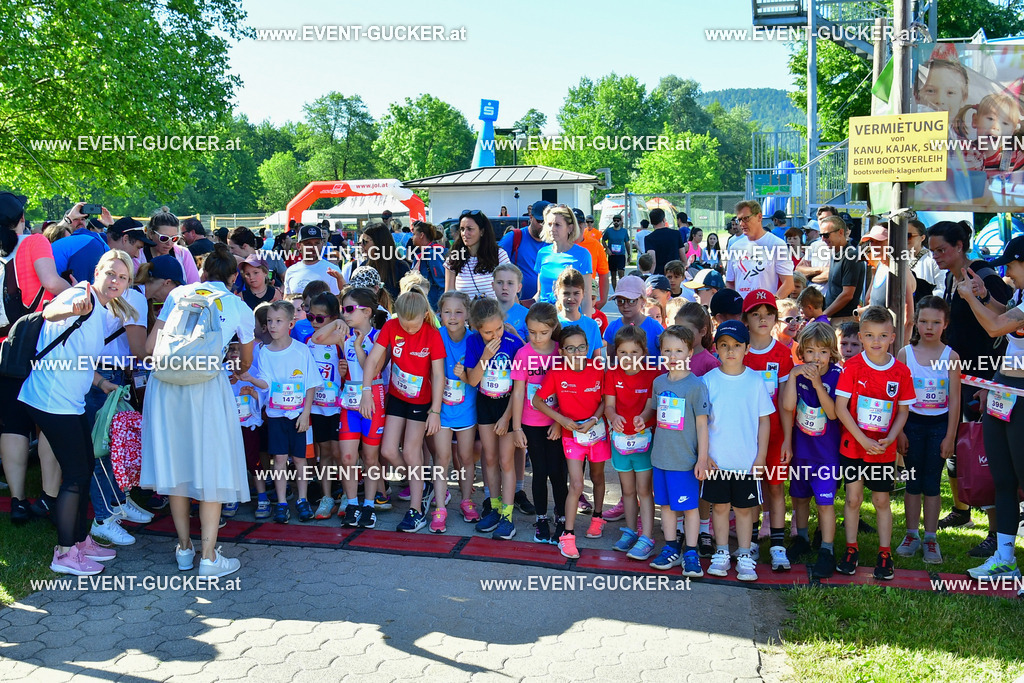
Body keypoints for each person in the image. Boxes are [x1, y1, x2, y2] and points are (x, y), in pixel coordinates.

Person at [140, 244, 256, 577]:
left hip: (165, 385)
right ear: (234, 277)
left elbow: (150, 348)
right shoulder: (236, 305)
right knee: (211, 467)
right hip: (207, 384)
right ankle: (208, 556)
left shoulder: (178, 295)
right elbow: (245, 361)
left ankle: (183, 548)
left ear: (202, 271)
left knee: (177, 466)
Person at [18, 252, 137, 574]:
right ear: (98, 271)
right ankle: (66, 553)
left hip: (70, 401)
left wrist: (101, 383)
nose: (116, 281)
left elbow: (77, 354)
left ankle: (80, 540)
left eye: (123, 277)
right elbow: (50, 313)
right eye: (111, 273)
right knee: (76, 474)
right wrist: (69, 308)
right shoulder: (78, 295)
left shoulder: (100, 308)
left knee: (83, 469)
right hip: (51, 400)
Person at [928, 220, 1011, 545]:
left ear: (960, 246)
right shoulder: (952, 277)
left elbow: (1006, 332)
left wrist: (992, 382)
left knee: (985, 452)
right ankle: (961, 508)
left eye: (941, 250)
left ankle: (995, 532)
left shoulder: (984, 276)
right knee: (959, 444)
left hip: (987, 380)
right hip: (961, 377)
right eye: (932, 250)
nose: (935, 256)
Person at [956, 236, 1024, 580]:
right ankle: (1005, 558)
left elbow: (996, 326)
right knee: (1003, 478)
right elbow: (1007, 318)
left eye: (1011, 265)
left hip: (1022, 396)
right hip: (1006, 390)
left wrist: (970, 298)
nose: (1008, 273)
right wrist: (983, 296)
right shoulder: (1021, 294)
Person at [834, 306, 916, 580]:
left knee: (881, 500)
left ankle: (884, 552)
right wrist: (863, 439)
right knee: (854, 499)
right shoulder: (853, 367)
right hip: (854, 446)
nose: (876, 341)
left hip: (883, 449)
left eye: (882, 335)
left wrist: (891, 438)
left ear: (892, 336)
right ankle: (851, 548)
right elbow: (841, 407)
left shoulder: (901, 372)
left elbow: (903, 410)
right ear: (861, 336)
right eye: (869, 335)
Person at [0, 192, 66, 525]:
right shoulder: (34, 243)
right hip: (37, 344)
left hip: (4, 347)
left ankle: (17, 499)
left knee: (13, 424)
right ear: (21, 218)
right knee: (49, 421)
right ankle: (48, 497)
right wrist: (79, 292)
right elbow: (50, 283)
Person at [362, 288, 445, 532]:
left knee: (411, 452)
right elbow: (373, 360)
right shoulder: (391, 327)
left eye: (414, 325)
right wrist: (366, 391)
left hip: (421, 402)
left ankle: (416, 510)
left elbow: (438, 375)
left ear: (424, 315)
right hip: (397, 397)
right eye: (405, 325)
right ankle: (421, 483)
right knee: (388, 450)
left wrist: (436, 411)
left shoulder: (432, 334)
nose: (409, 330)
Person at [703, 321, 775, 582]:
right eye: (724, 345)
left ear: (746, 348)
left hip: (746, 462)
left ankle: (744, 554)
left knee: (744, 510)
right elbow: (700, 421)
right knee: (720, 508)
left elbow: (764, 419)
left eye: (736, 346)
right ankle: (721, 552)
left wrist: (761, 456)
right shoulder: (707, 381)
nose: (730, 351)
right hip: (717, 462)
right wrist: (705, 454)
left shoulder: (755, 381)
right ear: (716, 349)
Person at [312, 286, 387, 527]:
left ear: (366, 312)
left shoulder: (378, 336)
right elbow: (317, 338)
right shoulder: (344, 334)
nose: (345, 313)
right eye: (343, 309)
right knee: (346, 457)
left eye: (349, 309)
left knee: (370, 457)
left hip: (372, 397)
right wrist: (335, 324)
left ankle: (368, 505)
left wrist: (356, 348)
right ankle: (352, 503)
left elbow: (373, 370)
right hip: (349, 400)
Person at [532, 325, 608, 559]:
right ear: (562, 351)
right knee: (575, 483)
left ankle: (597, 517)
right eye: (571, 348)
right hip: (572, 435)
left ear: (588, 347)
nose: (577, 352)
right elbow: (537, 401)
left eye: (582, 347)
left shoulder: (598, 368)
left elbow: (606, 400)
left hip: (596, 431)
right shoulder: (556, 373)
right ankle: (567, 534)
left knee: (596, 477)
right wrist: (562, 420)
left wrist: (594, 419)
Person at [241, 301, 321, 523]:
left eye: (278, 321)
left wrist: (306, 413)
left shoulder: (301, 350)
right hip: (276, 415)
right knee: (279, 459)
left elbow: (311, 383)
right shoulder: (263, 352)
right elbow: (265, 381)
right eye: (269, 321)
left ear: (290, 323)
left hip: (298, 416)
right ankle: (282, 502)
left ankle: (302, 500)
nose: (273, 326)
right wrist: (252, 379)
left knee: (299, 459)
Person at [895, 296, 960, 565]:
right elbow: (897, 397)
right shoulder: (905, 354)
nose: (929, 327)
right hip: (911, 424)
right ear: (916, 322)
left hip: (939, 426)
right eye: (923, 321)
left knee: (932, 482)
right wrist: (899, 431)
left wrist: (950, 436)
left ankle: (931, 538)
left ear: (945, 324)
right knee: (913, 480)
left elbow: (955, 398)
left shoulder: (951, 356)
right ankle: (911, 535)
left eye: (936, 322)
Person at [644, 325, 709, 576]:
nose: (672, 356)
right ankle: (671, 547)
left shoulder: (696, 386)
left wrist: (702, 459)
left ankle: (691, 552)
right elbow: (655, 412)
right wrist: (642, 419)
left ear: (689, 353)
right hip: (661, 458)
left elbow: (703, 426)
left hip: (685, 461)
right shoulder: (658, 382)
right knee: (667, 507)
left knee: (689, 507)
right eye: (667, 350)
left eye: (678, 350)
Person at [780, 322, 843, 578]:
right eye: (810, 352)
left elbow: (832, 412)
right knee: (800, 497)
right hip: (802, 449)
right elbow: (787, 406)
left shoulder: (836, 376)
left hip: (826, 454)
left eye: (823, 352)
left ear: (832, 353)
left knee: (825, 502)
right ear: (801, 353)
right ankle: (802, 538)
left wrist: (818, 384)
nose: (816, 358)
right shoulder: (797, 374)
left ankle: (827, 549)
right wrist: (795, 376)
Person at [741, 289, 795, 570]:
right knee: (749, 489)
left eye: (768, 314)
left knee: (774, 488)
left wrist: (787, 439)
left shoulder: (783, 354)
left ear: (776, 317)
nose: (763, 319)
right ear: (746, 319)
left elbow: (787, 404)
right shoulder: (739, 350)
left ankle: (777, 544)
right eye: (755, 314)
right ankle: (748, 543)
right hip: (744, 435)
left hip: (774, 435)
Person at [466, 298, 524, 539]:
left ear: (504, 322)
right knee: (489, 458)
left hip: (508, 405)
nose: (494, 335)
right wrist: (485, 357)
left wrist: (508, 416)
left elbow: (521, 383)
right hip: (485, 405)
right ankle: (495, 506)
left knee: (506, 460)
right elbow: (472, 380)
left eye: (498, 328)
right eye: (488, 331)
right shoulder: (473, 342)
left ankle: (508, 516)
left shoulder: (511, 342)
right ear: (477, 328)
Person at [604, 325, 660, 561]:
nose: (628, 359)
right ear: (616, 353)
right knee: (627, 490)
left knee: (644, 490)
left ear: (644, 352)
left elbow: (650, 407)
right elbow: (608, 405)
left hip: (643, 442)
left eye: (634, 353)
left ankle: (646, 536)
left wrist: (643, 419)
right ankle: (630, 530)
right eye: (623, 353)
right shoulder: (612, 374)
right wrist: (613, 416)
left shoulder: (652, 375)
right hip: (620, 442)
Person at [511, 303, 565, 544]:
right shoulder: (523, 354)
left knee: (558, 472)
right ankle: (541, 518)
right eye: (532, 332)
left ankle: (562, 517)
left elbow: (569, 387)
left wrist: (560, 422)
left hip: (558, 422)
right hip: (531, 422)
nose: (537, 338)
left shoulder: (561, 351)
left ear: (553, 328)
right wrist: (516, 427)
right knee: (540, 472)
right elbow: (519, 392)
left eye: (543, 333)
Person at [432, 291, 479, 530]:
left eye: (458, 312)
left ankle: (467, 501)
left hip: (466, 411)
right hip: (440, 411)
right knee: (442, 458)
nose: (452, 317)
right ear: (439, 314)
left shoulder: (473, 340)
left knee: (466, 457)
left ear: (468, 314)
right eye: (447, 312)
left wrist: (466, 375)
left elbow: (477, 379)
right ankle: (440, 506)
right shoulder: (436, 337)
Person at [304, 292, 345, 521]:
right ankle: (327, 496)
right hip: (319, 408)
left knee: (341, 453)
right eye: (310, 316)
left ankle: (349, 495)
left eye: (320, 318)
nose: (313, 322)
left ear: (333, 317)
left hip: (339, 407)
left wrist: (344, 371)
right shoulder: (309, 341)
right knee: (325, 453)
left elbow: (354, 369)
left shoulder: (340, 340)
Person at [726, 201, 794, 299]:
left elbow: (788, 284)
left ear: (759, 217)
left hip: (765, 310)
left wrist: (770, 306)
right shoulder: (735, 247)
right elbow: (730, 283)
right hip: (742, 311)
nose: (741, 224)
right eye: (739, 220)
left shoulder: (777, 245)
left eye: (746, 219)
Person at [533, 205, 594, 315]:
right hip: (544, 319)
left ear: (570, 228)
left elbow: (586, 297)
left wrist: (587, 325)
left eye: (557, 225)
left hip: (569, 319)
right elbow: (540, 292)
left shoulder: (582, 254)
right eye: (550, 224)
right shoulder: (542, 253)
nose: (552, 229)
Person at [446, 210, 510, 301]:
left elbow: (510, 291)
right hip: (465, 314)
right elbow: (449, 296)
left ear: (482, 231)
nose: (464, 233)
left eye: (470, 229)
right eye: (462, 229)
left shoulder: (499, 255)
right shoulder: (454, 258)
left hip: (494, 314)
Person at [499, 200, 548, 303]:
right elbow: (494, 269)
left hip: (547, 307)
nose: (543, 226)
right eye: (540, 221)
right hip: (518, 305)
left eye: (547, 222)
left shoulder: (554, 242)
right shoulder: (513, 238)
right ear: (531, 217)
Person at [819, 215, 865, 324]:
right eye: (821, 235)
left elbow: (847, 294)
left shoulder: (850, 256)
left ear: (840, 232)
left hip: (843, 320)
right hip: (835, 318)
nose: (823, 239)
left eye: (826, 235)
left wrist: (823, 315)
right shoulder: (837, 254)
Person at [137, 208, 201, 285]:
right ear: (151, 234)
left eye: (174, 238)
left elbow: (194, 285)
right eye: (164, 238)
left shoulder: (183, 254)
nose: (169, 243)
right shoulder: (138, 255)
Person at [604, 275, 664, 358]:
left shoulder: (655, 327)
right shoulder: (613, 327)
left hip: (651, 370)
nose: (625, 305)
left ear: (643, 301)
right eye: (620, 301)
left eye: (631, 301)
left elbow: (666, 356)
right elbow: (610, 360)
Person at [284, 224, 344, 296]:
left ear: (322, 244)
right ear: (298, 246)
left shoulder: (333, 271)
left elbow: (338, 302)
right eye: (308, 244)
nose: (313, 247)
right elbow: (287, 302)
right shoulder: (291, 271)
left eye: (317, 243)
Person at [360, 221, 409, 300]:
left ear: (379, 242)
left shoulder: (401, 267)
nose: (361, 245)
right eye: (361, 242)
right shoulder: (364, 267)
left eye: (365, 241)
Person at [573, 208, 609, 310]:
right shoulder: (563, 245)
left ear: (584, 224)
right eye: (573, 222)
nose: (577, 226)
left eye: (579, 222)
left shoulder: (595, 245)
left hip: (586, 299)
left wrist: (603, 299)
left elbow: (604, 274)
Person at [411, 221, 446, 311]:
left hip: (433, 306)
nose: (412, 238)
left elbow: (442, 283)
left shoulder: (432, 255)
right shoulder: (421, 255)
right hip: (424, 305)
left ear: (421, 235)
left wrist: (440, 308)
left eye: (414, 234)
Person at [908, 219, 944, 301]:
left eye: (908, 236)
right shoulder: (898, 258)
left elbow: (942, 288)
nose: (904, 239)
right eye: (902, 235)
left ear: (922, 238)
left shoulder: (933, 259)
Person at [644, 208, 686, 276]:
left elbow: (653, 261)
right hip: (674, 274)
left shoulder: (649, 238)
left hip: (658, 275)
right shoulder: (676, 234)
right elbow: (683, 258)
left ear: (651, 222)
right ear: (664, 219)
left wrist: (651, 276)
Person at [493, 264, 529, 341]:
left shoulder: (527, 315)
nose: (504, 287)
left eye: (510, 283)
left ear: (519, 287)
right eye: (499, 282)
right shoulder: (485, 312)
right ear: (493, 285)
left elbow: (531, 351)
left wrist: (515, 335)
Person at [602, 214, 631, 288]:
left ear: (620, 222)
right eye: (614, 221)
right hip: (612, 255)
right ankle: (615, 292)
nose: (616, 222)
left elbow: (627, 243)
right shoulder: (609, 231)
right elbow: (603, 240)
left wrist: (629, 255)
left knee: (621, 273)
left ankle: (622, 290)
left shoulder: (624, 231)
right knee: (613, 274)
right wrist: (607, 248)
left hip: (621, 255)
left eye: (617, 221)